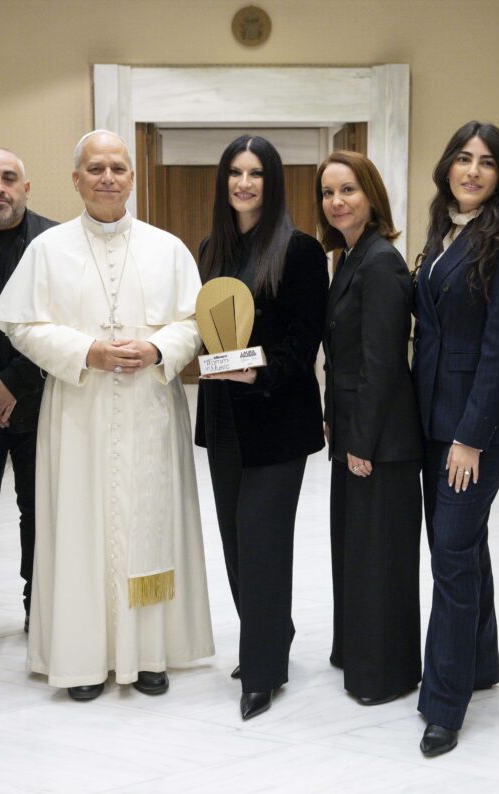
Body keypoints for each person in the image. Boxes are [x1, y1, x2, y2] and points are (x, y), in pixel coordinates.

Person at [0, 130, 213, 701]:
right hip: (80, 410)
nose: (107, 177)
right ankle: (82, 658)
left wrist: (160, 349)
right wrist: (84, 351)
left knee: (149, 525)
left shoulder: (168, 248)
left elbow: (195, 321)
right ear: (76, 179)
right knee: (80, 527)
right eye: (95, 168)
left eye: (117, 167)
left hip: (149, 410)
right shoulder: (47, 249)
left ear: (132, 177)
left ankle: (151, 652)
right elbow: (21, 325)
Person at [411, 122, 499, 757]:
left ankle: (444, 703)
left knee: (452, 557)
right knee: (463, 544)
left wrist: (471, 436)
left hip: (474, 427)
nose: (472, 170)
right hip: (433, 416)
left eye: (486, 162)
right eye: (462, 158)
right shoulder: (442, 229)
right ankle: (481, 664)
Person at [194, 135, 328, 720]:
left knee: (262, 543)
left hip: (276, 423)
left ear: (271, 185)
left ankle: (263, 671)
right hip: (224, 421)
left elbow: (304, 343)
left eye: (256, 175)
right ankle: (272, 633)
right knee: (233, 542)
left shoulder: (299, 250)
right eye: (234, 173)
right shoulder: (211, 250)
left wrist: (257, 370)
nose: (243, 183)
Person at [317, 150, 423, 706]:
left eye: (348, 190)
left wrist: (361, 441)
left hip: (381, 441)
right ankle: (355, 651)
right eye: (329, 193)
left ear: (371, 195)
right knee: (356, 551)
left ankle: (384, 673)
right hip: (358, 431)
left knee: (380, 557)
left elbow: (383, 360)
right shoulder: (350, 257)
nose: (337, 201)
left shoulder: (381, 261)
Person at [0, 148, 58, 634]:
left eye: (8, 178)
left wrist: (14, 383)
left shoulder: (56, 241)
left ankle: (37, 612)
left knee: (39, 514)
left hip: (41, 402)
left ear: (26, 187)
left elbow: (64, 321)